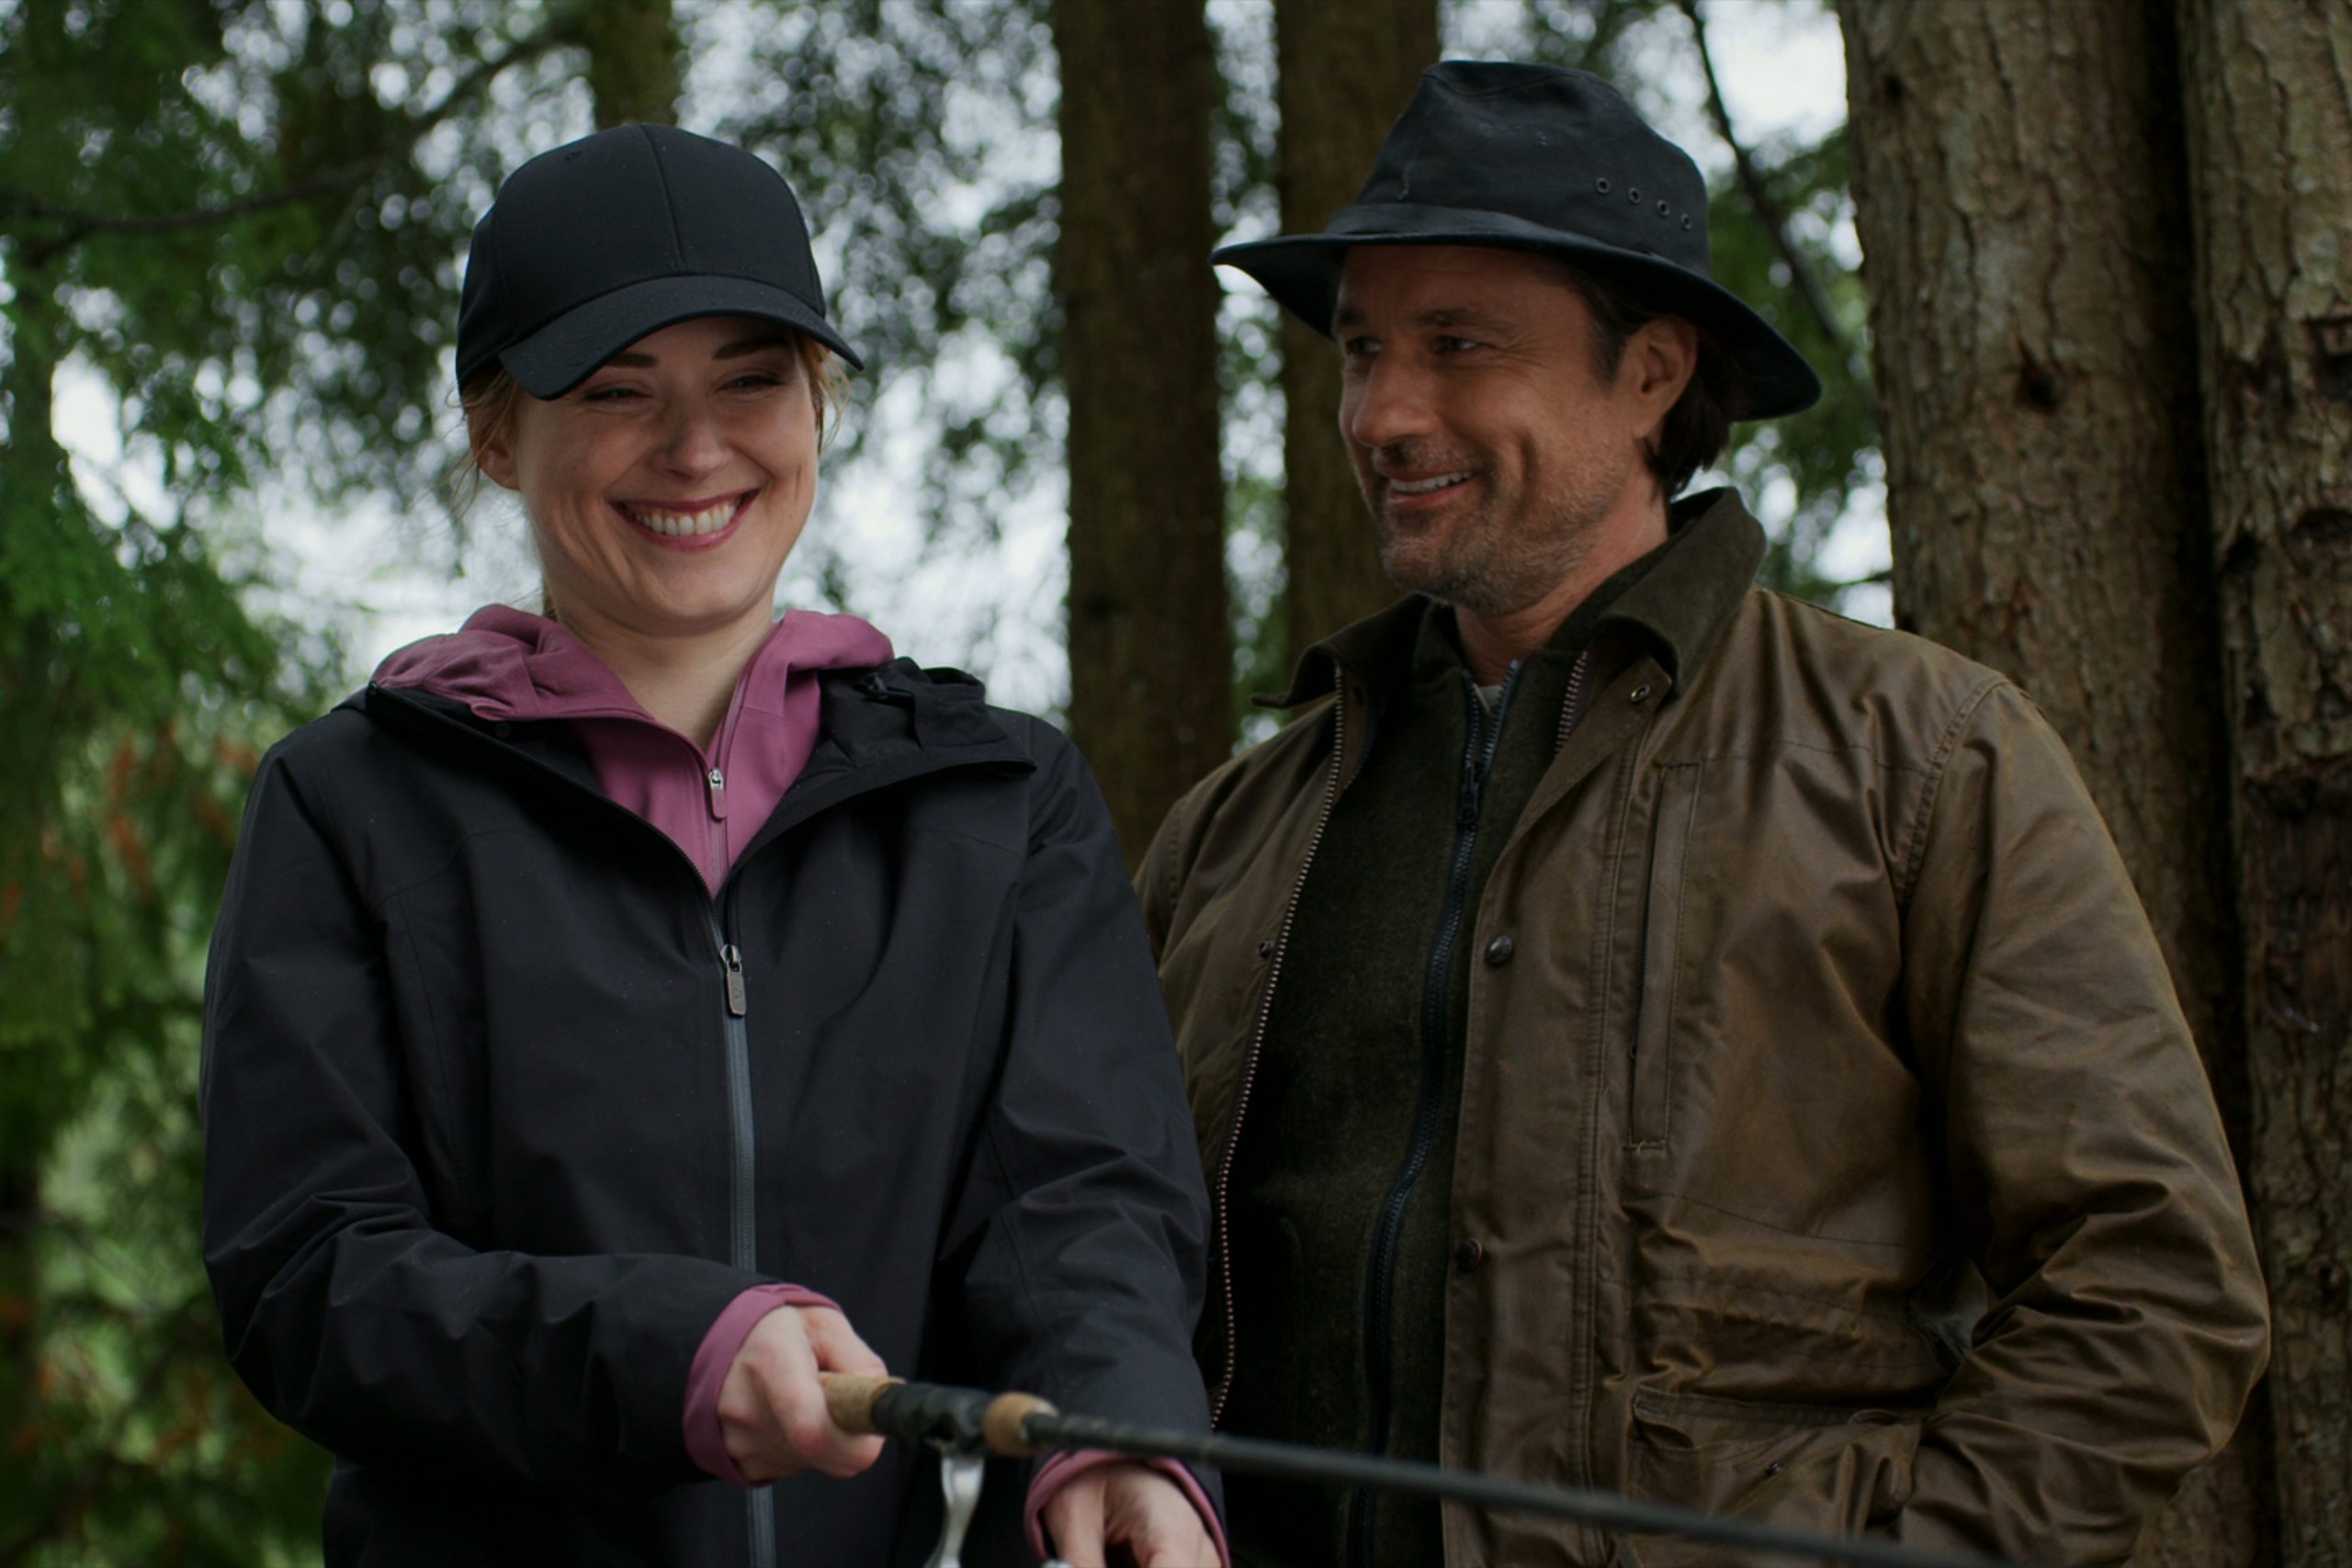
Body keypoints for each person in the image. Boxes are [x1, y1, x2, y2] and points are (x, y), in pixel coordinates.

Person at [1138, 62, 2269, 1568]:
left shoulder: (1917, 757)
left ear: (1655, 372)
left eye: (1460, 347)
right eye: (1363, 351)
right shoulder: (1232, 835)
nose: (1387, 412)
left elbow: (2152, 1284)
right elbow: (1092, 1269)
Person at [201, 123, 1226, 1568]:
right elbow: (311, 1280)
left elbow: (1082, 1206)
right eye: (619, 393)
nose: (696, 449)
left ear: (820, 409)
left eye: (753, 382)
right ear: (498, 435)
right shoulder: (349, 804)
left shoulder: (1003, 802)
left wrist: (1119, 1427)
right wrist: (664, 1353)